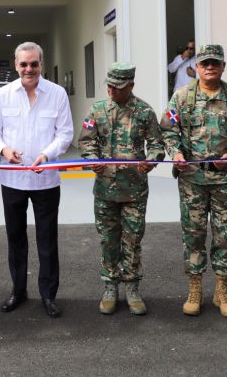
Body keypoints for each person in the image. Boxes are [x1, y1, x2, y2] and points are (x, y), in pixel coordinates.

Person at [161, 44, 227, 318]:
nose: (209, 67)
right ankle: (195, 290)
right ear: (198, 66)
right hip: (192, 180)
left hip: (225, 180)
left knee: (225, 236)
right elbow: (168, 132)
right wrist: (177, 153)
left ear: (223, 66)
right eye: (205, 63)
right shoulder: (181, 97)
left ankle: (221, 291)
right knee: (193, 236)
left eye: (214, 63)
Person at [0, 42, 74, 318]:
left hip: (46, 179)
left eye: (34, 64)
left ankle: (48, 295)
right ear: (16, 65)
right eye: (23, 64)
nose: (29, 69)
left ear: (41, 64)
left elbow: (65, 133)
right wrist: (4, 150)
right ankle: (18, 290)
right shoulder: (3, 95)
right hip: (12, 179)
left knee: (47, 239)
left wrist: (47, 155)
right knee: (15, 237)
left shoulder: (57, 94)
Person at [78, 63, 165, 316]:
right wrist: (91, 158)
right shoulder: (98, 109)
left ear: (131, 86)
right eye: (109, 86)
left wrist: (152, 160)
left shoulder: (144, 111)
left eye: (117, 87)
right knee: (108, 239)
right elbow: (86, 141)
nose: (111, 91)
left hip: (134, 189)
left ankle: (133, 287)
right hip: (105, 188)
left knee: (133, 239)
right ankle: (110, 287)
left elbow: (157, 144)